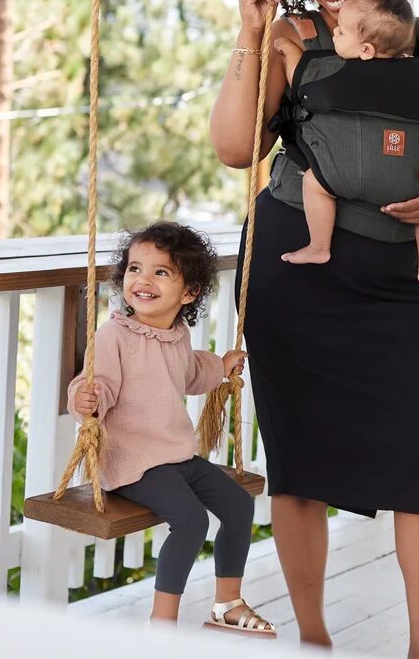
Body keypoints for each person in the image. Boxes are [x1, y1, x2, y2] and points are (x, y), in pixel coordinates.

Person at [211, 0, 419, 659]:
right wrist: (249, 30)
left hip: (396, 281)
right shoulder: (291, 37)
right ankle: (313, 639)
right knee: (299, 463)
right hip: (293, 269)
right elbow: (235, 148)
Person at [67, 221, 275, 636]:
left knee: (239, 505)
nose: (143, 280)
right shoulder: (114, 336)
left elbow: (189, 373)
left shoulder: (177, 334)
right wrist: (85, 399)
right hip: (134, 461)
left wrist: (221, 365)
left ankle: (227, 604)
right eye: (135, 269)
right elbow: (97, 383)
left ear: (189, 292)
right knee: (192, 521)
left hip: (176, 455)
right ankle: (161, 624)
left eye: (160, 272)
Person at [274, 0, 419, 290]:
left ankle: (318, 246)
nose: (335, 32)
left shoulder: (338, 72)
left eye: (341, 32)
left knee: (314, 183)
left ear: (366, 51)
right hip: (417, 180)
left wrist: (288, 49)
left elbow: (300, 77)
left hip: (344, 175)